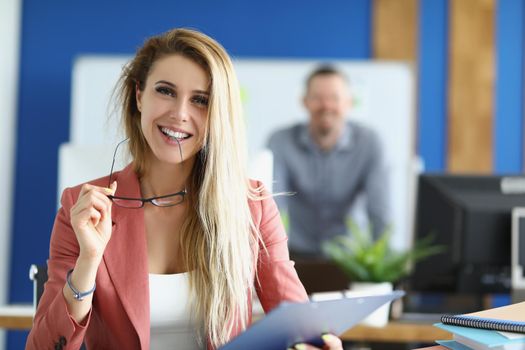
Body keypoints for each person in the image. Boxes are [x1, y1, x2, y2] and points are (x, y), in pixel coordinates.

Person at [26, 29, 343, 350]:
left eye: (201, 100)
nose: (179, 114)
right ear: (139, 96)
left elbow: (297, 321)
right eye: (165, 91)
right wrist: (88, 262)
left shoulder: (251, 205)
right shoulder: (81, 207)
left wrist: (321, 342)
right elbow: (44, 346)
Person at [267, 65, 390, 257]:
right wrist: (271, 261)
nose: (326, 106)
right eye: (317, 98)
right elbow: (272, 206)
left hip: (352, 259)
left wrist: (384, 268)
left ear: (350, 102)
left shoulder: (370, 143)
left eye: (335, 98)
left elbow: (379, 210)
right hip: (295, 256)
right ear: (304, 102)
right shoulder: (280, 141)